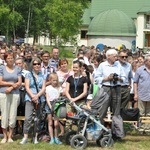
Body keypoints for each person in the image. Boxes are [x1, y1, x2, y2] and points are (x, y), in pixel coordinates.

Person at [20, 57, 46, 144]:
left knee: (38, 119)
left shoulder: (42, 75)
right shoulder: (28, 74)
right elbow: (27, 87)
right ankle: (25, 137)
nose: (37, 65)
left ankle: (35, 137)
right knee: (28, 118)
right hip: (29, 98)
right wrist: (33, 96)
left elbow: (43, 88)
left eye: (38, 64)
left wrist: (37, 96)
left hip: (40, 98)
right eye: (35, 64)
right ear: (32, 65)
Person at [94, 49, 126, 116]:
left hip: (116, 88)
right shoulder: (102, 65)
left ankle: (115, 125)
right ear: (108, 56)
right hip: (106, 88)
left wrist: (118, 78)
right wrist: (107, 78)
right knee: (103, 107)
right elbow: (96, 78)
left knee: (116, 108)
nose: (116, 58)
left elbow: (124, 78)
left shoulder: (118, 65)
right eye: (114, 56)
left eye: (116, 56)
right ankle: (101, 124)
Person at [0, 50, 22, 143]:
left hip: (15, 94)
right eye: (8, 58)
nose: (10, 60)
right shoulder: (1, 68)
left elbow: (20, 82)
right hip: (4, 93)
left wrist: (11, 88)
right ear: (5, 59)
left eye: (12, 58)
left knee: (13, 115)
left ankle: (10, 136)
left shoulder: (18, 69)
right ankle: (4, 136)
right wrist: (11, 85)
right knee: (4, 115)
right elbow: (0, 82)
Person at [134, 54, 150, 134]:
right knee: (141, 112)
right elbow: (135, 82)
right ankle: (141, 128)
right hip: (142, 94)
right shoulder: (140, 70)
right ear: (146, 62)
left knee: (149, 113)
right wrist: (135, 94)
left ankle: (147, 128)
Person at [45, 73, 63, 144]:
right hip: (49, 104)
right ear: (50, 80)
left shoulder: (59, 88)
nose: (55, 82)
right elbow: (47, 98)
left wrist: (55, 107)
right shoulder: (47, 88)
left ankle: (56, 137)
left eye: (56, 80)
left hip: (56, 105)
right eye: (53, 80)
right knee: (50, 123)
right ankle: (51, 138)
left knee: (56, 123)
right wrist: (50, 107)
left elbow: (58, 97)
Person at [15, 58, 29, 134]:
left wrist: (20, 84)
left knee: (24, 111)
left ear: (23, 64)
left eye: (19, 63)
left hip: (24, 93)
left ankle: (24, 129)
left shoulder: (27, 73)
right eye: (16, 64)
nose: (18, 65)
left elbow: (28, 83)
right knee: (16, 111)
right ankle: (16, 129)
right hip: (16, 93)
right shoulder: (13, 72)